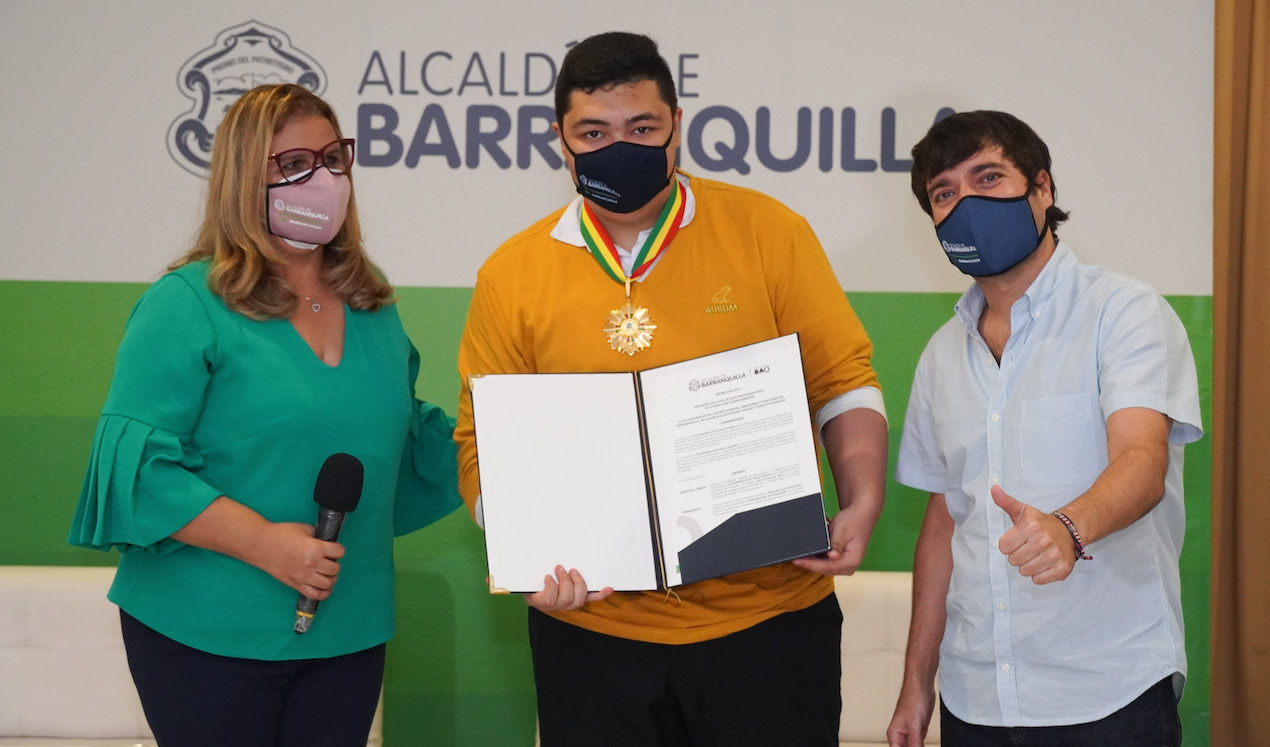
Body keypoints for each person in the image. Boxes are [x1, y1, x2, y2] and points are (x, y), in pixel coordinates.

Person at [454, 32, 888, 746]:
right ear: (559, 140)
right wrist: (525, 550)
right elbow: (480, 444)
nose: (618, 146)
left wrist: (863, 500)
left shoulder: (768, 232)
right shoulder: (512, 273)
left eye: (642, 128)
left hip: (770, 621)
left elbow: (842, 382)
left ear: (677, 126)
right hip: (592, 629)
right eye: (593, 131)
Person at [67, 83, 460, 747]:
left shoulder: (373, 307)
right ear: (244, 178)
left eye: (334, 158)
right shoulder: (186, 303)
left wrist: (529, 429)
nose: (324, 177)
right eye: (294, 164)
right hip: (204, 629)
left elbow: (407, 440)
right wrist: (267, 544)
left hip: (348, 630)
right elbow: (141, 468)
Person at [885, 110, 1202, 747]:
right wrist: (917, 682)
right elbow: (945, 522)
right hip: (976, 700)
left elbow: (1142, 459)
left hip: (1108, 687)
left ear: (1043, 188)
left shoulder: (1123, 311)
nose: (966, 203)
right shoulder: (941, 355)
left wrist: (1067, 526)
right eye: (945, 194)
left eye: (989, 177)